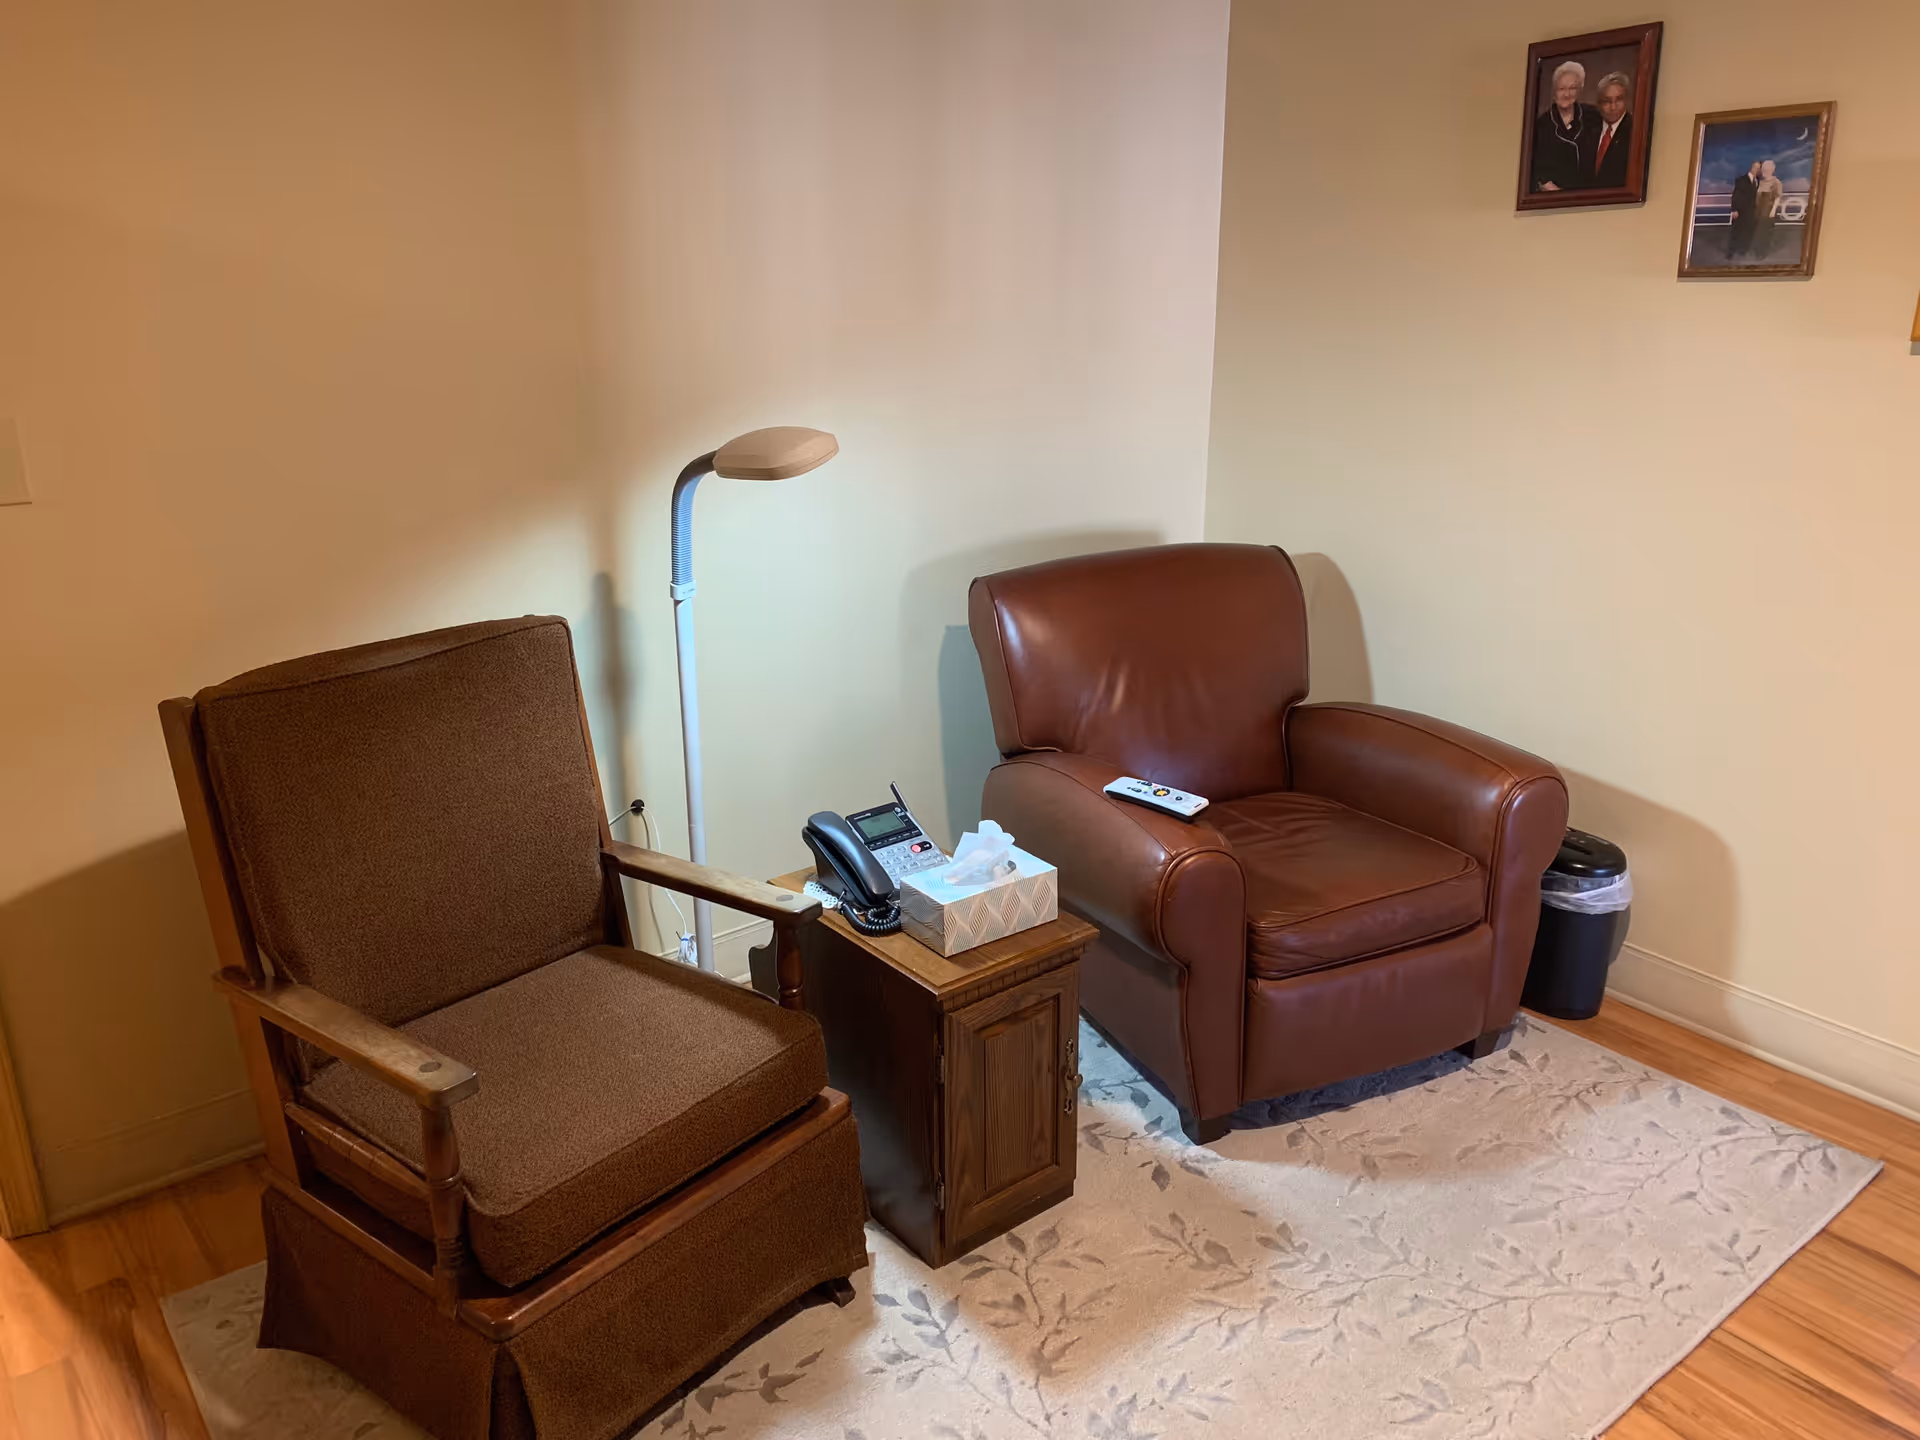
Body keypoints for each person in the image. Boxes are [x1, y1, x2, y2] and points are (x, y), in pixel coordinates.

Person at [1530, 59, 1602, 193]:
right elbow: (1537, 172)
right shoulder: (1541, 125)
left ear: (1580, 89)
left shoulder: (1593, 116)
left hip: (1590, 197)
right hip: (1554, 197)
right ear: (1554, 91)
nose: (1566, 94)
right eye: (1561, 89)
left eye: (1572, 88)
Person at [1591, 72, 1634, 187]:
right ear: (1599, 104)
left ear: (1627, 101)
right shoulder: (1588, 131)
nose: (1613, 107)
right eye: (1607, 101)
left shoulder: (1635, 132)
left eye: (1618, 100)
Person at [1726, 161, 1761, 259]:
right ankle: (1730, 252)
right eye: (1755, 167)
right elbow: (1736, 195)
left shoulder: (1758, 180)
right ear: (1751, 167)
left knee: (1748, 232)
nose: (1756, 170)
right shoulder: (1741, 180)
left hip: (1752, 211)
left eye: (1758, 168)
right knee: (1736, 232)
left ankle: (1742, 250)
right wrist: (1735, 210)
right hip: (1740, 211)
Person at [1753, 159, 1784, 258]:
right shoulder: (1761, 182)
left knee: (1765, 232)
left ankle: (1762, 253)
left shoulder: (1776, 182)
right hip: (1758, 210)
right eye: (1763, 170)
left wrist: (1773, 210)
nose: (1764, 172)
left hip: (1768, 210)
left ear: (1772, 170)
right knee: (1757, 230)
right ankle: (1757, 249)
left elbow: (1778, 197)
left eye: (1767, 170)